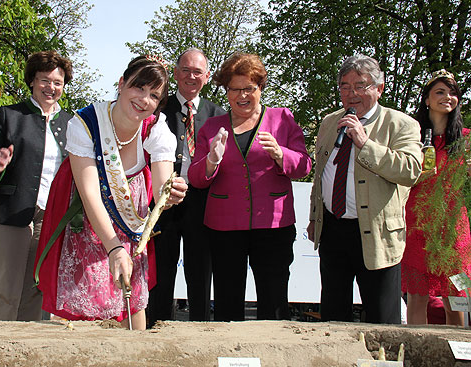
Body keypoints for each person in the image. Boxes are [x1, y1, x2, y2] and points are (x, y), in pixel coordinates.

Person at [36, 55, 187, 330]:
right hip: (88, 219)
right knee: (88, 290)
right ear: (121, 84)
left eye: (154, 95)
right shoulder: (85, 122)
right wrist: (113, 246)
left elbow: (162, 184)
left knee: (132, 294)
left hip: (131, 220)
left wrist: (171, 194)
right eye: (138, 88)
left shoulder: (156, 127)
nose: (144, 99)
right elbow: (90, 192)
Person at [187, 52, 311, 321]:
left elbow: (304, 165)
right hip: (224, 228)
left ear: (261, 87)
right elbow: (195, 178)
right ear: (226, 91)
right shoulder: (211, 126)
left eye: (249, 89)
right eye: (234, 89)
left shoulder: (283, 118)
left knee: (274, 300)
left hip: (274, 226)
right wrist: (211, 160)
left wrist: (281, 154)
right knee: (227, 302)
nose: (242, 96)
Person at [307, 55, 422, 324]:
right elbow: (321, 175)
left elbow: (410, 170)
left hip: (377, 233)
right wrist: (315, 217)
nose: (352, 94)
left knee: (383, 320)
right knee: (333, 318)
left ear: (379, 88)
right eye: (345, 87)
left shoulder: (401, 124)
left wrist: (364, 142)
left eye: (361, 86)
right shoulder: (329, 122)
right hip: (334, 231)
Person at [0, 50, 73, 321]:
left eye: (57, 82)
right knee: (5, 290)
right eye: (44, 80)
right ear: (32, 81)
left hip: (51, 216)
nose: (50, 88)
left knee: (36, 289)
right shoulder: (10, 115)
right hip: (11, 213)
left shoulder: (70, 123)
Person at [147, 48, 225, 325]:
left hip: (202, 205)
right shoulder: (157, 107)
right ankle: (156, 327)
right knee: (161, 272)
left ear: (206, 76)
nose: (191, 77)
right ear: (176, 73)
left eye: (197, 72)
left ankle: (201, 329)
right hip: (163, 203)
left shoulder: (218, 115)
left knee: (200, 273)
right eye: (186, 70)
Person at [401, 70, 471, 326]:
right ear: (427, 99)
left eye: (452, 92)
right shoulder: (412, 136)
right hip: (418, 222)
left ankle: (460, 353)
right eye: (440, 92)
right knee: (418, 296)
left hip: (454, 229)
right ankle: (416, 352)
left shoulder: (465, 139)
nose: (447, 97)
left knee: (458, 293)